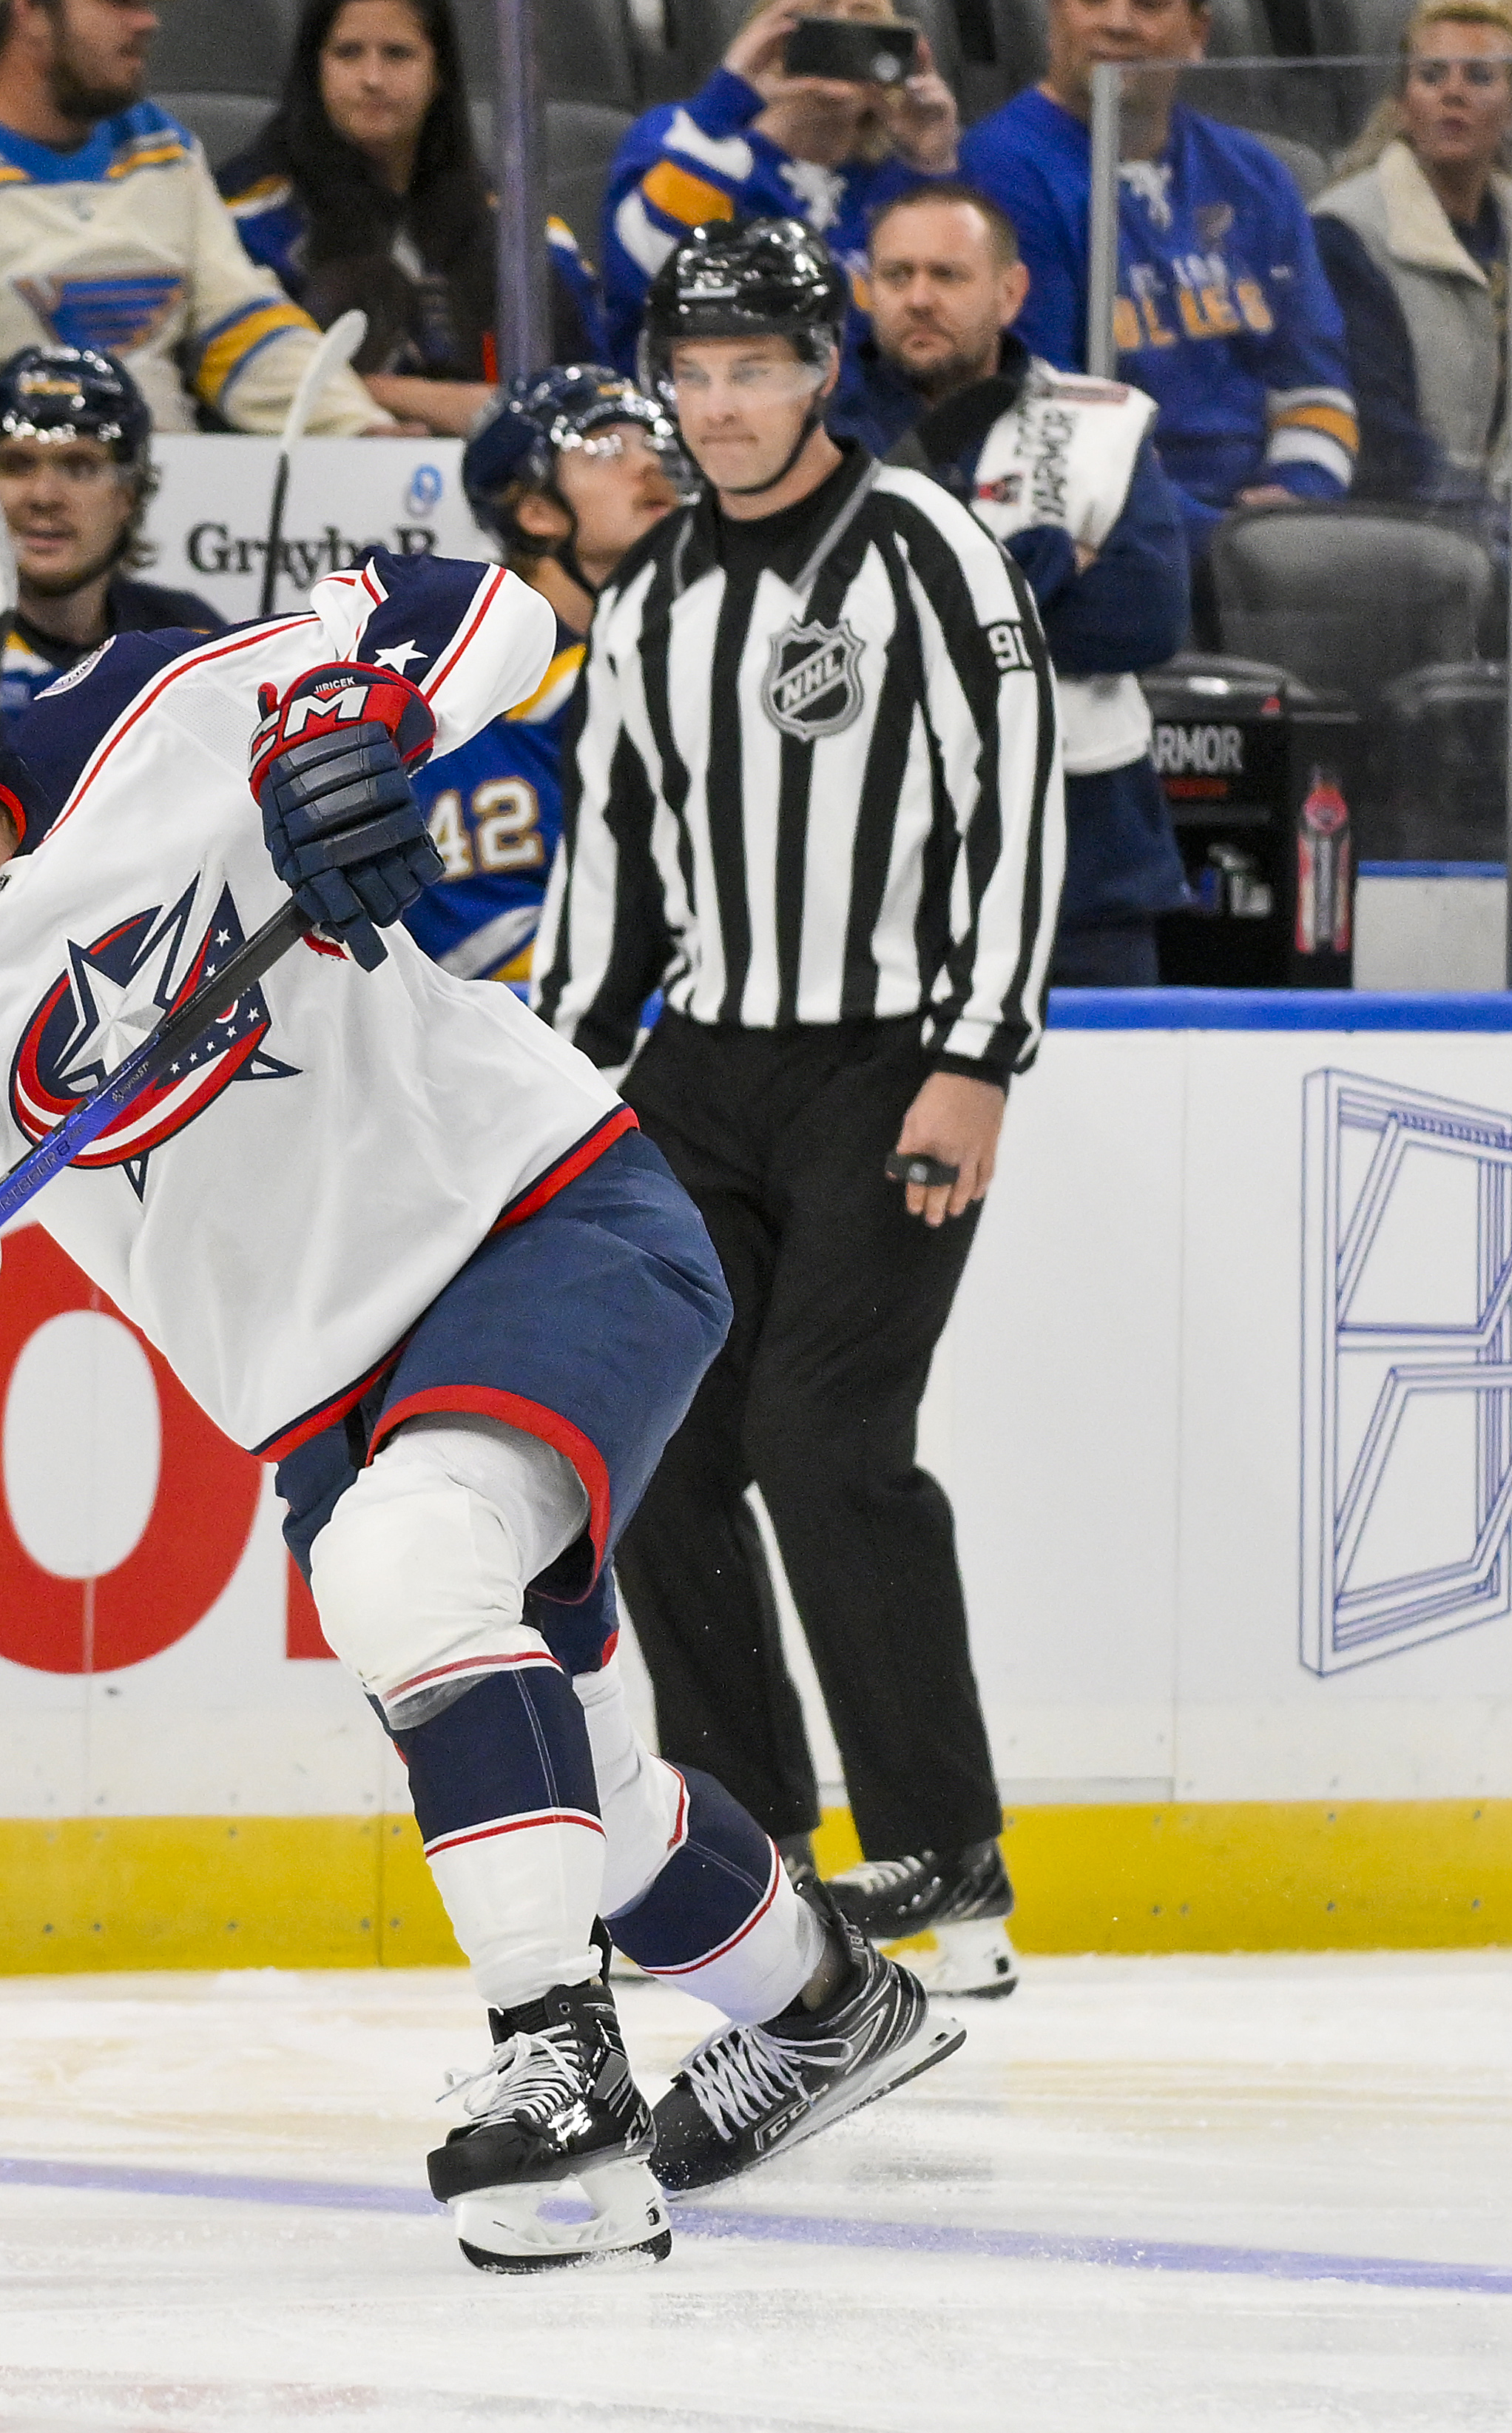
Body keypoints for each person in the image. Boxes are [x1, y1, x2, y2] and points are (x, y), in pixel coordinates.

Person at [0, 553, 958, 2272]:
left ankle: (563, 2089)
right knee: (584, 1798)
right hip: (315, 1390)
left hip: (542, 1213)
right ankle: (832, 2008)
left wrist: (374, 719)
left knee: (408, 1561)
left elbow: (488, 606)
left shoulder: (141, 711)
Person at [533, 220, 1055, 1997]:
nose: (725, 404)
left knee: (824, 1438)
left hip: (887, 1052)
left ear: (821, 366)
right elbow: (607, 866)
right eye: (693, 375)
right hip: (703, 1066)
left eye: (755, 367)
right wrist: (547, 1090)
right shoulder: (654, 588)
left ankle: (943, 1846)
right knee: (665, 1440)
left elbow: (1014, 792)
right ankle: (744, 1844)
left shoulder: (921, 542)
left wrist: (978, 1053)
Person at [837, 183, 1193, 997]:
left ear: (1011, 290)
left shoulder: (1100, 422)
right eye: (896, 276)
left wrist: (925, 605)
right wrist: (1051, 560)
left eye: (947, 275)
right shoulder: (809, 432)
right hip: (872, 875)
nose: (918, 298)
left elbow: (1144, 617)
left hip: (1087, 868)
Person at [0, 0, 385, 438]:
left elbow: (238, 328)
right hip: (13, 515)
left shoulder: (164, 150)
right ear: (31, 14)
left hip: (174, 503)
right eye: (118, 2)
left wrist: (355, 428)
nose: (147, 22)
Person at [960, 0, 1357, 536]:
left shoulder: (1256, 175)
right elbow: (1047, 410)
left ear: (1198, 34)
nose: (1118, 23)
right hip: (1108, 532)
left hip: (1270, 527)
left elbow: (1314, 381)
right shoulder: (1000, 170)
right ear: (1054, 19)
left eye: (1148, 5)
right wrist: (1217, 536)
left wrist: (1299, 492)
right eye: (1093, 1)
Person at [409, 366, 684, 980]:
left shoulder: (689, 651)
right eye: (606, 448)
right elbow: (481, 948)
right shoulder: (477, 690)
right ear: (536, 511)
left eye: (655, 442)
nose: (649, 466)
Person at [217, 0, 604, 434]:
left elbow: (595, 391)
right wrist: (443, 403)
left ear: (439, 72)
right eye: (348, 53)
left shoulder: (521, 229)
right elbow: (243, 376)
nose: (372, 79)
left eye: (398, 54)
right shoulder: (245, 221)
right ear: (315, 68)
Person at [598, 0, 961, 372]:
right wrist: (730, 101)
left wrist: (933, 165)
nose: (840, 32)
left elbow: (950, 322)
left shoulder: (900, 179)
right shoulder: (679, 135)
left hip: (867, 420)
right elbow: (648, 277)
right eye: (814, 15)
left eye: (863, 16)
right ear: (767, 35)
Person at [1314, 0, 1512, 501]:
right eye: (1431, 76)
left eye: (1480, 77)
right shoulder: (1345, 232)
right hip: (1410, 518)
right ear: (1403, 104)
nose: (1454, 94)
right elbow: (1379, 437)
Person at [0, 345, 221, 722]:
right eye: (18, 465)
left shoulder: (188, 636)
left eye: (79, 467)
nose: (44, 496)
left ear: (129, 494)